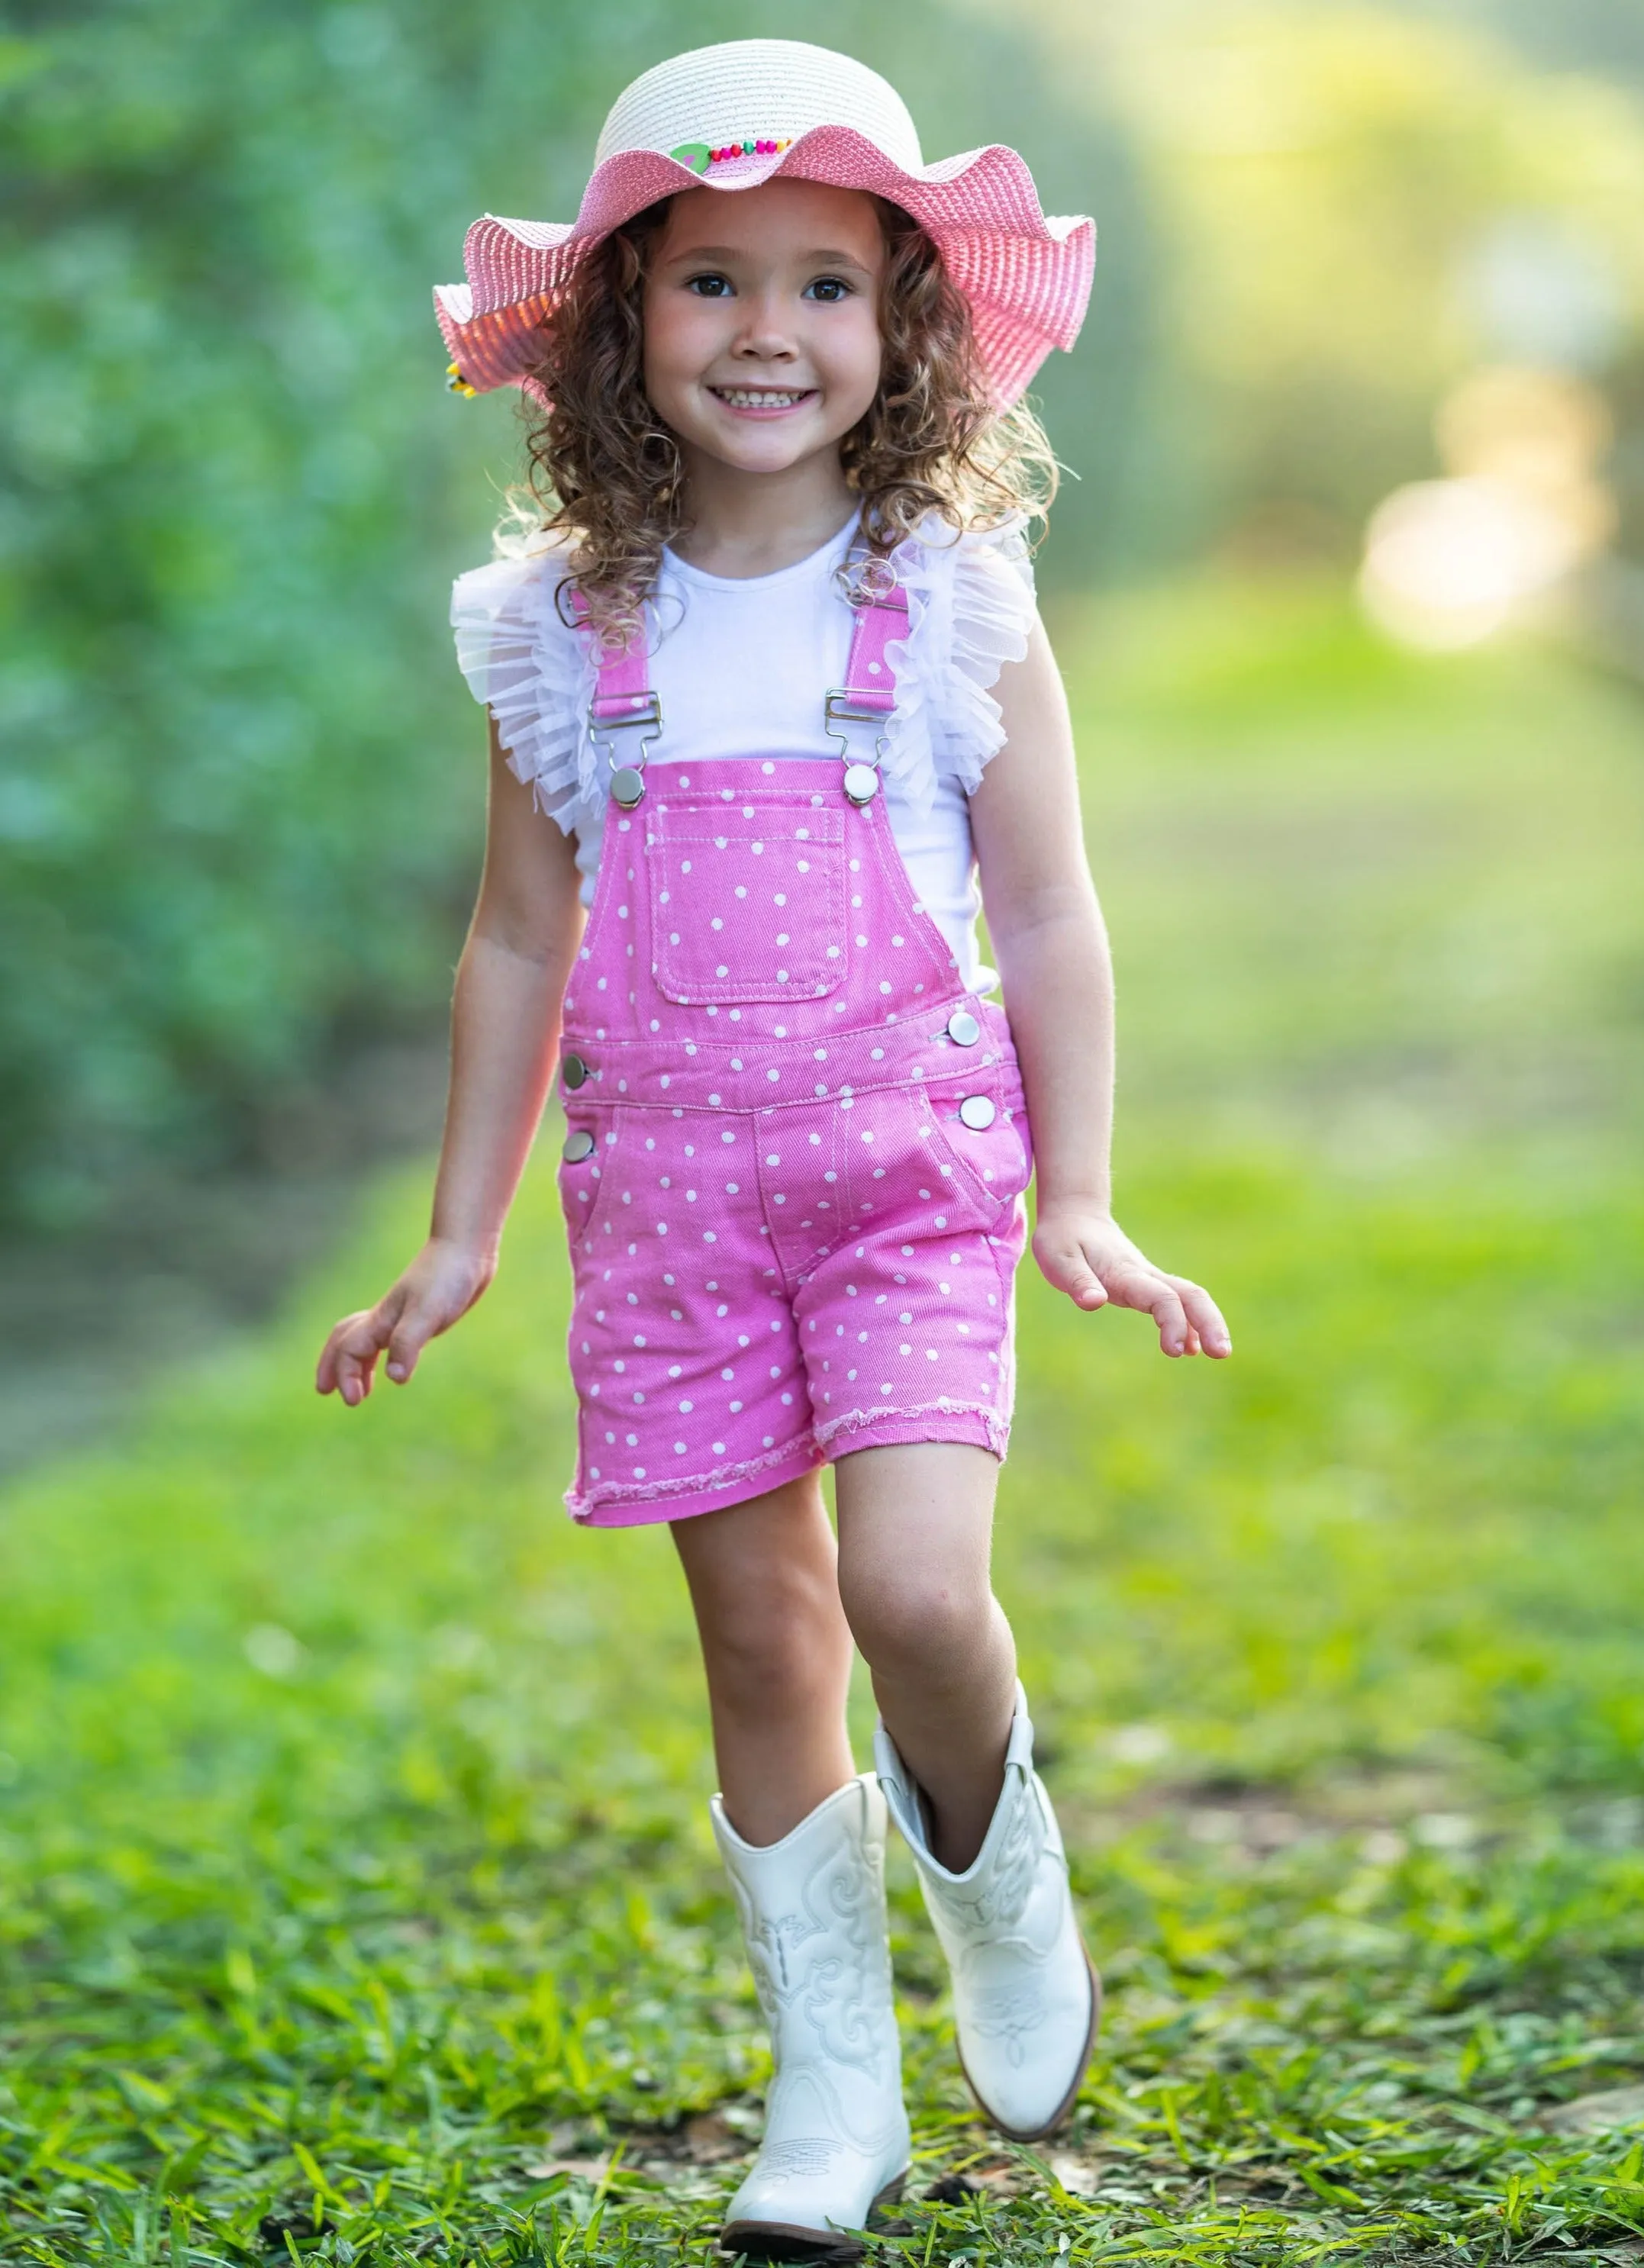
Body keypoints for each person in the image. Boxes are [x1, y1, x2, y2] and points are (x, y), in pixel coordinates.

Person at [316, 38, 1230, 2260]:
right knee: (762, 1647)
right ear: (625, 315)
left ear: (901, 322)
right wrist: (454, 1234)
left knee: (917, 1587)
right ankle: (836, 2090)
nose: (766, 332)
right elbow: (519, 942)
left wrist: (1083, 1192)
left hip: (913, 1172)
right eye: (712, 281)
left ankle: (998, 1866)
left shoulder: (951, 601)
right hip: (672, 1216)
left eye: (824, 283)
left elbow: (1046, 910)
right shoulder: (555, 627)